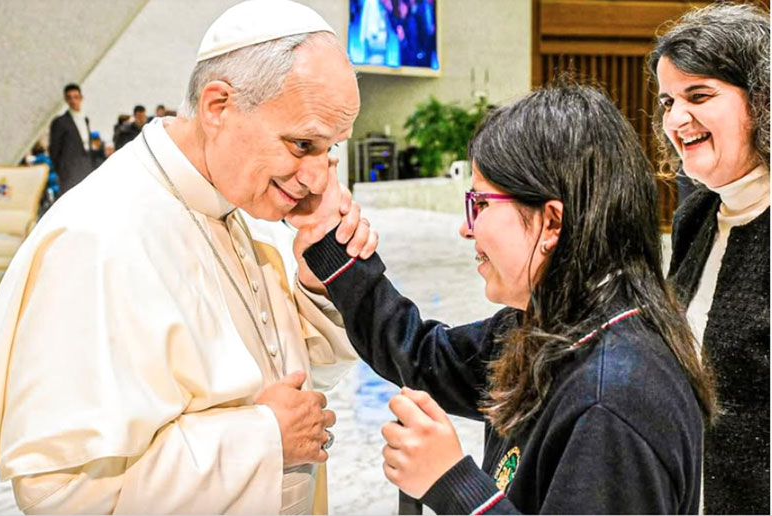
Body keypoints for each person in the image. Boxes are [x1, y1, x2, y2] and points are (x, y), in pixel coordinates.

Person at [0, 0, 375, 513]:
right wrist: (263, 437)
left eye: (331, 149)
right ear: (218, 107)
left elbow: (298, 373)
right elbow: (64, 492)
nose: (320, 178)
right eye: (302, 145)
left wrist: (319, 279)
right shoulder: (98, 237)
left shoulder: (240, 199)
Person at [295, 83, 716, 514]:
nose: (466, 228)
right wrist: (331, 247)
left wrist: (453, 484)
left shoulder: (613, 398)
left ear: (551, 221)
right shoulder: (552, 322)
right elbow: (423, 356)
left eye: (480, 204)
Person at [648, 3, 770, 514]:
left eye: (698, 96)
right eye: (667, 101)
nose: (675, 119)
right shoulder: (698, 210)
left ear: (762, 101)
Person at [48, 83, 94, 195]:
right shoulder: (60, 122)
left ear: (81, 98)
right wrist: (62, 170)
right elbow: (54, 149)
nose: (73, 101)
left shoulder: (85, 119)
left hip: (86, 167)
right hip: (69, 172)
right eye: (69, 98)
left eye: (76, 97)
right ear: (66, 100)